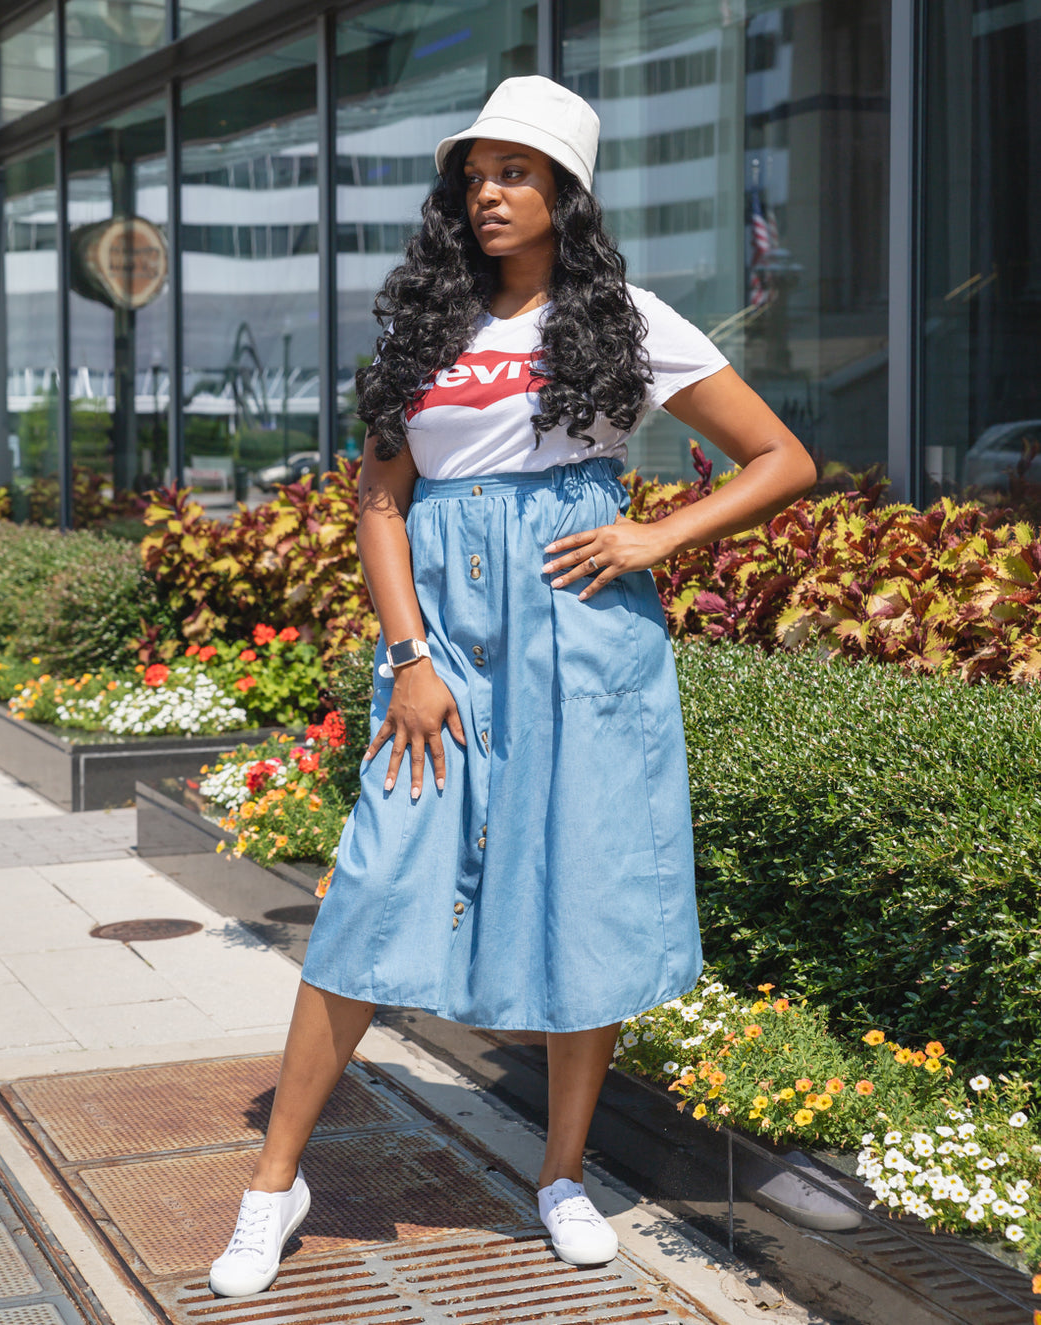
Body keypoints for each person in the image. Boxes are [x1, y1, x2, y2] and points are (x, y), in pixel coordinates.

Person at [208, 75, 815, 1298]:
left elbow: (783, 458)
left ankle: (562, 1169)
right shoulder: (421, 327)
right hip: (447, 647)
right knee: (377, 884)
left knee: (582, 884)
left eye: (516, 172)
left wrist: (653, 538)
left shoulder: (627, 320)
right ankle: (273, 1182)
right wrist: (409, 658)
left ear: (564, 195)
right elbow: (381, 499)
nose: (488, 192)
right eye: (476, 172)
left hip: (583, 639)